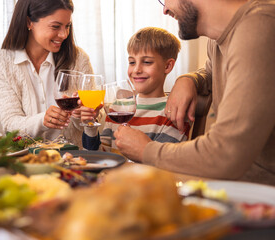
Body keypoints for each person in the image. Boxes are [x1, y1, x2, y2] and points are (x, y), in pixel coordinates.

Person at [114, 0, 275, 185]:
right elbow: (210, 73)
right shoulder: (218, 41)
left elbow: (225, 154)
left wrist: (146, 150)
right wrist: (189, 79)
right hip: (236, 187)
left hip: (261, 195)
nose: (165, 9)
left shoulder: (259, 28)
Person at [0, 0, 93, 148]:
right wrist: (43, 120)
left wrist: (83, 115)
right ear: (29, 22)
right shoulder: (1, 63)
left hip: (74, 161)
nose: (64, 34)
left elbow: (91, 125)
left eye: (67, 26)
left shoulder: (78, 58)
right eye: (55, 26)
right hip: (26, 162)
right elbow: (10, 124)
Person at [81, 27, 190, 152]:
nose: (137, 70)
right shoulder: (116, 107)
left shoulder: (174, 111)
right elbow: (100, 158)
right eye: (132, 62)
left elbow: (163, 163)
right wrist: (90, 125)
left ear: (167, 66)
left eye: (147, 62)